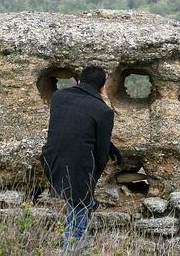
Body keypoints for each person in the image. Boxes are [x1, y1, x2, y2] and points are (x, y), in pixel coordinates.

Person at [40, 65, 123, 252]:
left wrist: (109, 145)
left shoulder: (59, 97)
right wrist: (92, 181)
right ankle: (69, 251)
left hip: (52, 159)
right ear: (102, 88)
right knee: (79, 210)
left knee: (75, 204)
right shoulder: (103, 111)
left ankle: (86, 208)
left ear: (78, 81)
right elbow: (100, 156)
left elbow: (72, 124)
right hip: (78, 166)